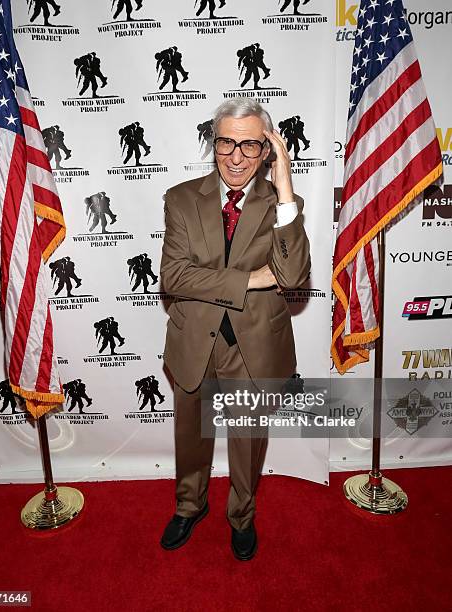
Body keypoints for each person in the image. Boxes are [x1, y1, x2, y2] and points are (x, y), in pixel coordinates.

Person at [160, 98, 310, 560]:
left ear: (267, 150)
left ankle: (242, 516)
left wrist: (285, 188)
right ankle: (190, 505)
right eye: (227, 141)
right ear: (214, 142)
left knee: (247, 441)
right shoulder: (182, 198)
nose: (237, 155)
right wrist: (250, 278)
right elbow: (174, 277)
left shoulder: (285, 206)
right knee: (191, 435)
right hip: (194, 339)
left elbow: (294, 277)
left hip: (255, 344)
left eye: (250, 144)